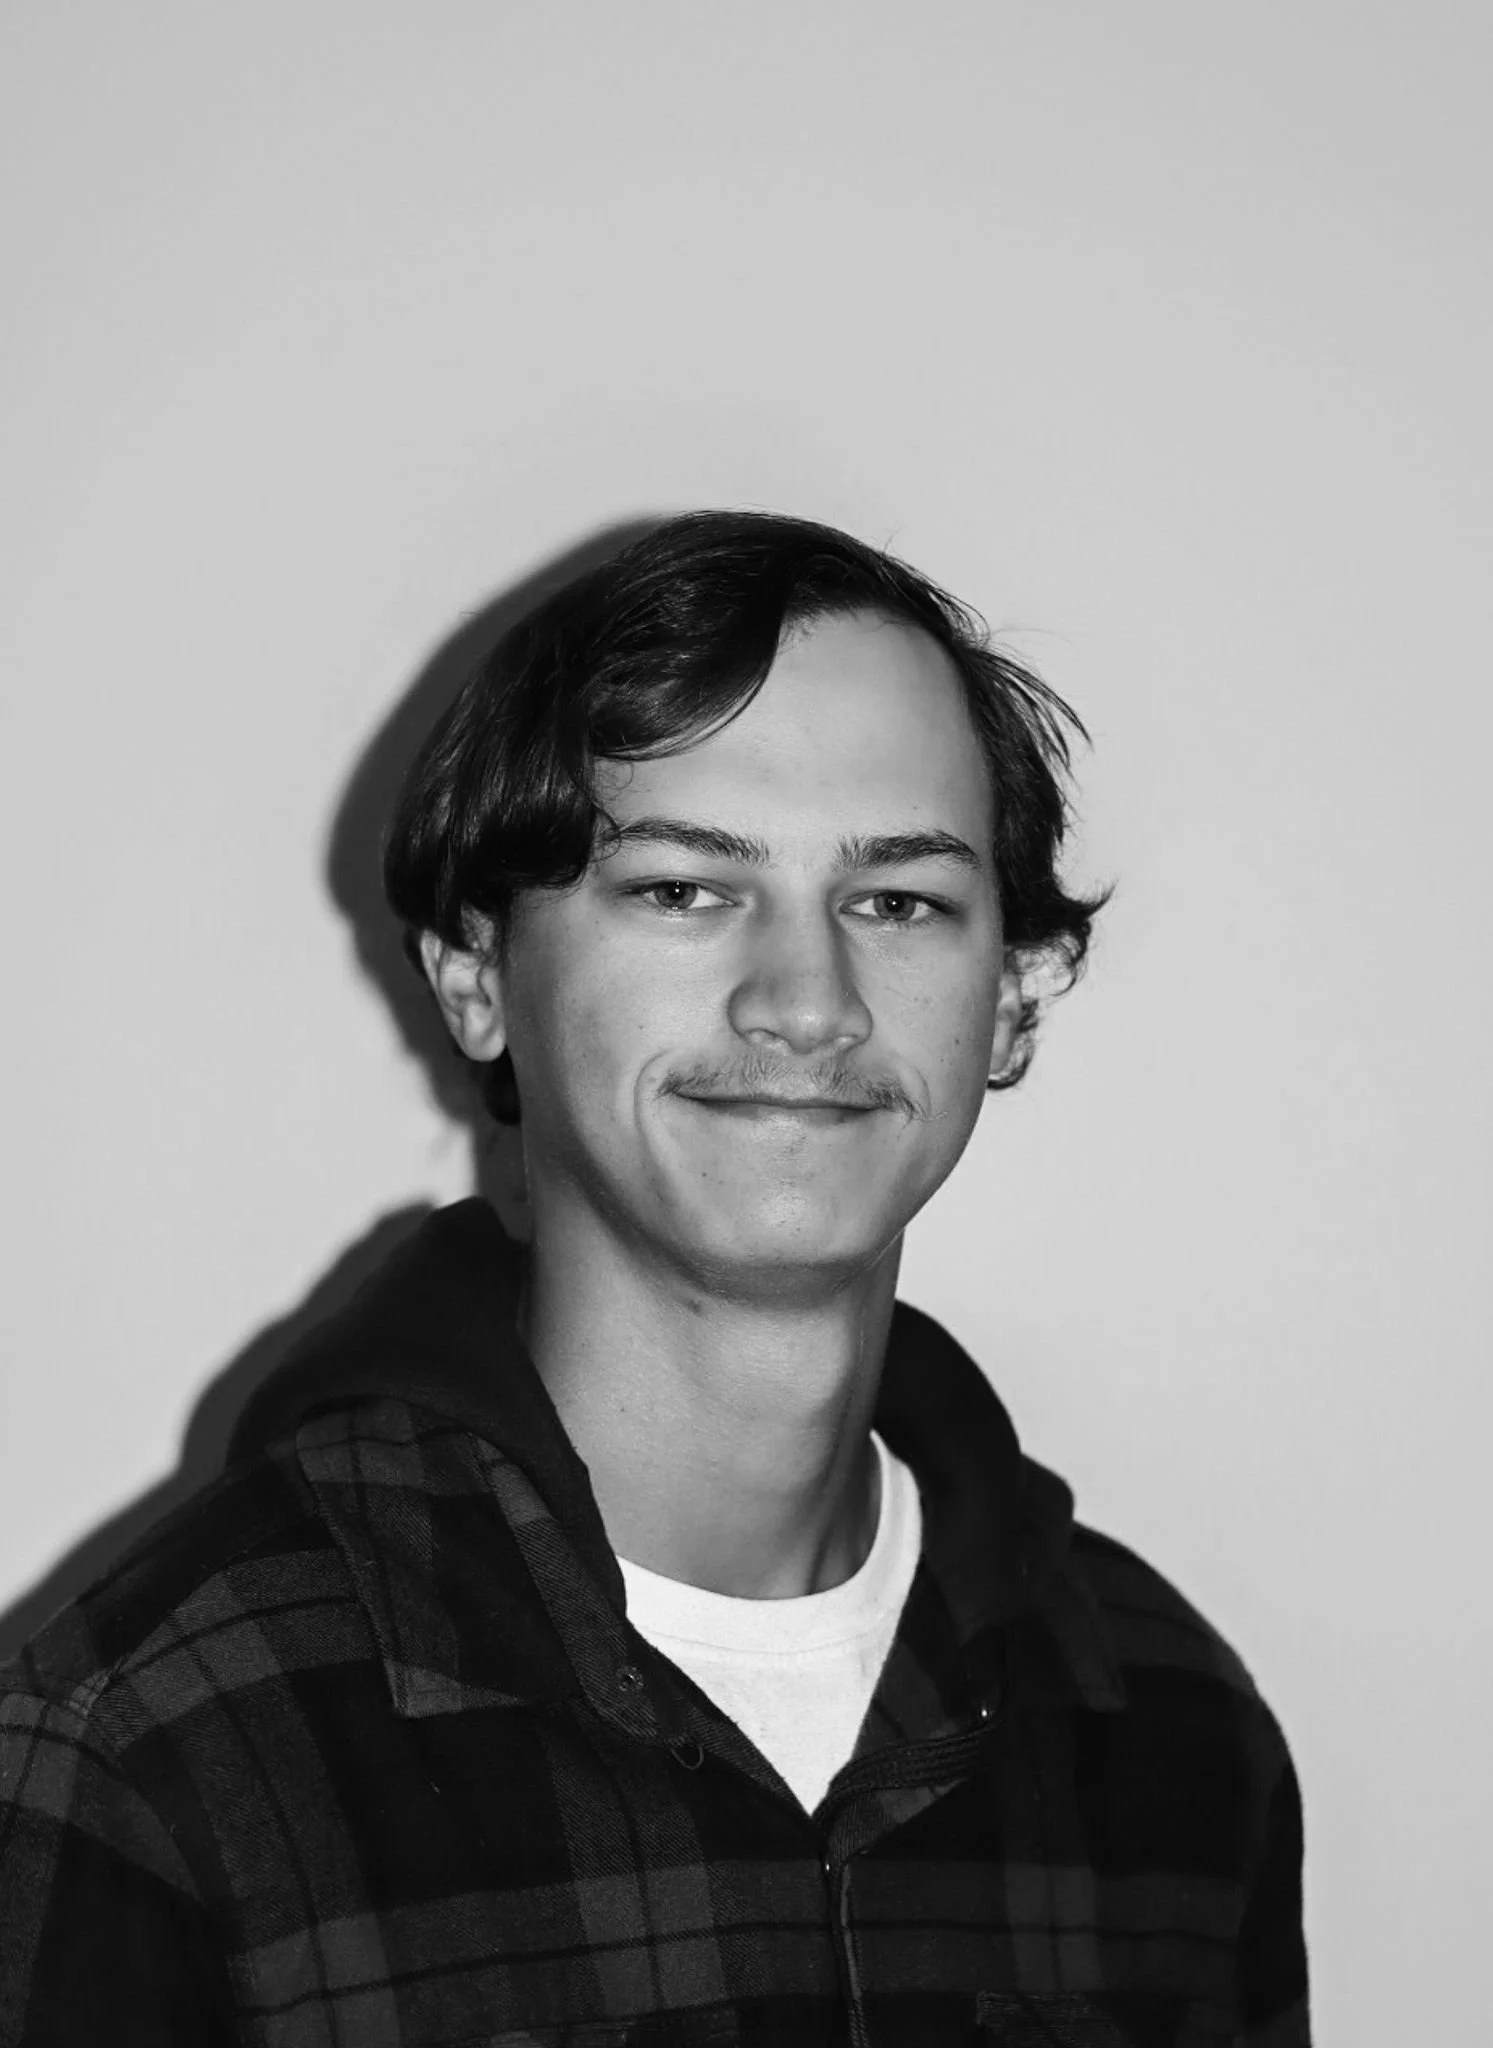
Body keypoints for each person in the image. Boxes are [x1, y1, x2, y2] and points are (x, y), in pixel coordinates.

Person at [0, 512, 1310, 2045]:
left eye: (900, 902)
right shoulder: (146, 1744)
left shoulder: (1172, 1736)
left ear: (1014, 999)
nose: (809, 1002)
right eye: (686, 889)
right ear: (476, 976)